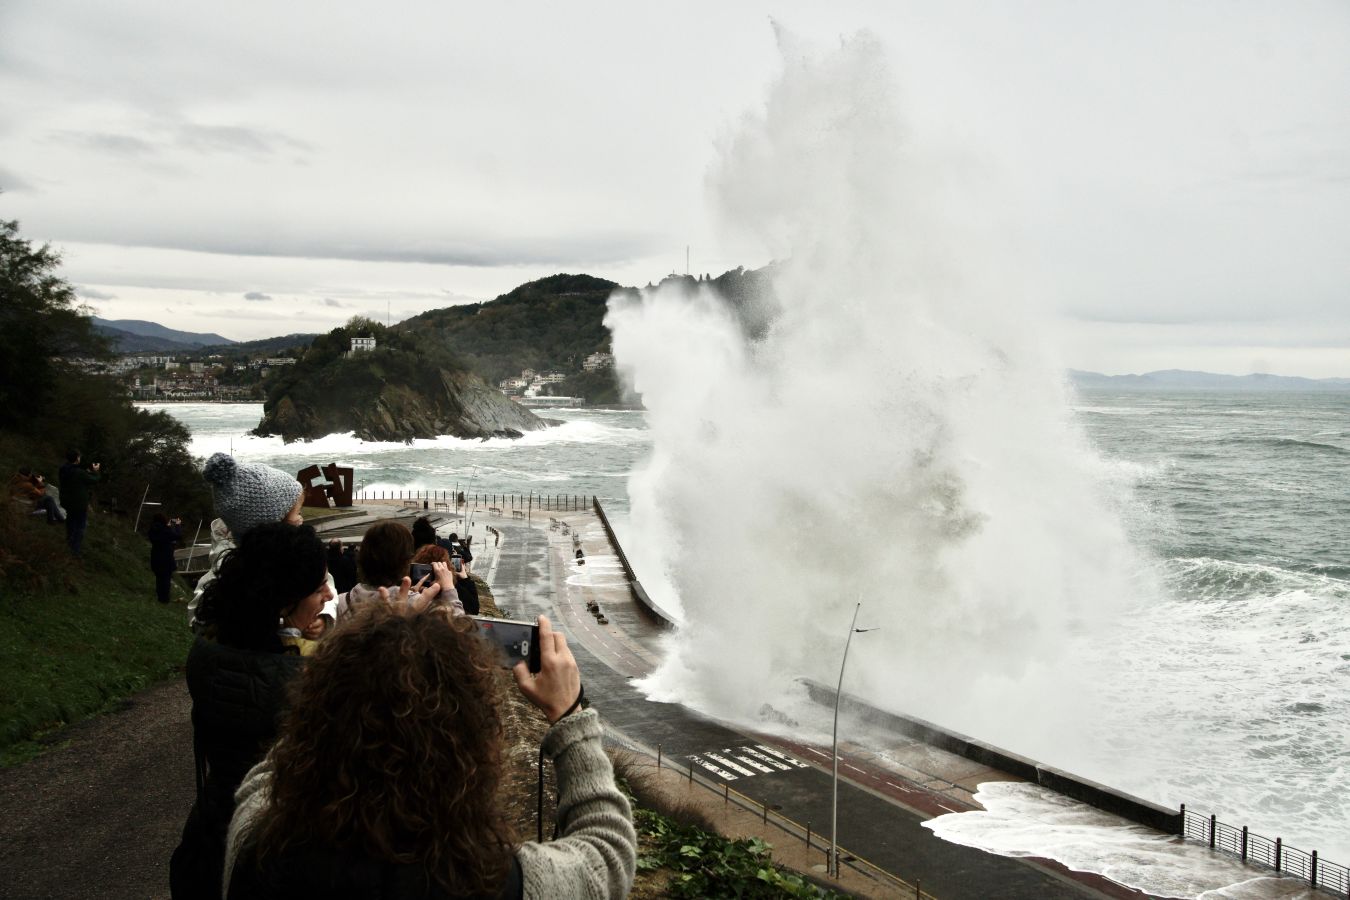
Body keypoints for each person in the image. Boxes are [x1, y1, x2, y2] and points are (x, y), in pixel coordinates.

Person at [223, 607, 636, 899]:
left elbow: (268, 772)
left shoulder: (254, 851)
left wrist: (354, 668)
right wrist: (570, 715)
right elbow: (607, 855)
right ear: (477, 745)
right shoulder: (498, 883)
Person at [169, 522, 332, 900]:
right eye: (317, 586)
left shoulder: (211, 650)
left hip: (208, 836)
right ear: (282, 601)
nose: (327, 593)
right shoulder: (297, 686)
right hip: (269, 855)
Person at [190, 452, 336, 633]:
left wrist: (325, 615)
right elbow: (201, 613)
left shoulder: (298, 557)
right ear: (273, 527)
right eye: (296, 513)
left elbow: (325, 585)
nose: (301, 519)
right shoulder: (230, 568)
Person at [336, 520, 460, 619]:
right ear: (406, 562)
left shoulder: (339, 603)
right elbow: (461, 631)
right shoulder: (419, 605)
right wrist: (449, 589)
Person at [58, 449, 100, 556]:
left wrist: (86, 473)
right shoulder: (79, 473)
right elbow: (94, 480)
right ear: (77, 458)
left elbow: (76, 479)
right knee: (80, 526)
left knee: (70, 521)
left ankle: (68, 542)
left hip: (67, 501)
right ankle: (75, 550)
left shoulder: (63, 470)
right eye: (79, 457)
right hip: (79, 504)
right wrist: (96, 471)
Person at [148, 512, 183, 604]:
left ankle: (160, 598)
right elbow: (177, 536)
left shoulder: (152, 529)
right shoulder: (165, 530)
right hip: (166, 558)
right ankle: (164, 599)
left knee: (159, 579)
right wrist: (177, 525)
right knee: (166, 579)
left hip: (155, 557)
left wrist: (167, 526)